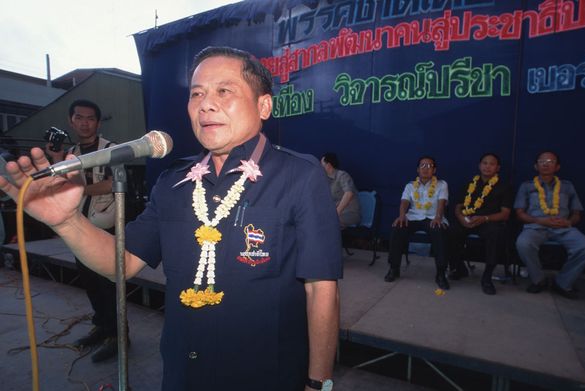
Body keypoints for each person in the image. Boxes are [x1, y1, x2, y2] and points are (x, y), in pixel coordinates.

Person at [1, 47, 341, 391]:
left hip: (266, 376)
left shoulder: (299, 176)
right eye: (197, 93)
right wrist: (67, 222)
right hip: (183, 374)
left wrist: (318, 383)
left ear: (264, 105)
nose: (206, 104)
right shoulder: (173, 183)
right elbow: (125, 262)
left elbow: (321, 289)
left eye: (224, 91)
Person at [45, 99, 121, 362]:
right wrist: (55, 157)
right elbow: (57, 183)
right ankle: (101, 327)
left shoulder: (112, 149)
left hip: (106, 225)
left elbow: (114, 184)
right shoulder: (71, 152)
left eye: (90, 118)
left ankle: (119, 336)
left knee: (107, 282)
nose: (85, 122)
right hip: (79, 223)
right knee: (88, 281)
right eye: (79, 118)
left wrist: (81, 190)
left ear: (98, 123)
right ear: (71, 121)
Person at [514, 151, 585, 299]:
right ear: (536, 165)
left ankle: (563, 282)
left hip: (563, 227)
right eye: (542, 161)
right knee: (523, 243)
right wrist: (539, 220)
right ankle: (538, 280)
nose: (546, 164)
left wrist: (569, 222)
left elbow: (577, 213)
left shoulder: (567, 186)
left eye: (550, 161)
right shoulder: (526, 186)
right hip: (536, 226)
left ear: (557, 167)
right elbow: (519, 213)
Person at [447, 153, 512, 295]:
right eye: (485, 163)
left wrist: (485, 218)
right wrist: (460, 217)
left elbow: (505, 213)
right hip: (467, 219)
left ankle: (487, 278)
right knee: (451, 231)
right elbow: (458, 205)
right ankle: (459, 268)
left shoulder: (504, 186)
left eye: (491, 164)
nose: (487, 166)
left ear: (498, 168)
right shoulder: (470, 183)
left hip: (489, 221)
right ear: (479, 165)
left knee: (495, 234)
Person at [384, 156, 450, 290]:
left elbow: (442, 202)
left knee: (439, 232)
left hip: (433, 217)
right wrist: (402, 216)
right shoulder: (410, 185)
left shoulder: (442, 184)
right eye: (422, 166)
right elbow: (404, 202)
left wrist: (438, 217)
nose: (425, 169)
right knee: (398, 227)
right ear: (417, 169)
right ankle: (394, 268)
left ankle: (441, 274)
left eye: (429, 166)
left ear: (434, 170)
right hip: (414, 217)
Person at [320, 152, 361, 228]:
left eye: (321, 164)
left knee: (326, 221)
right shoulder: (326, 180)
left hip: (350, 213)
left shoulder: (342, 175)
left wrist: (336, 213)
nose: (320, 167)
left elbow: (349, 194)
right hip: (337, 214)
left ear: (328, 165)